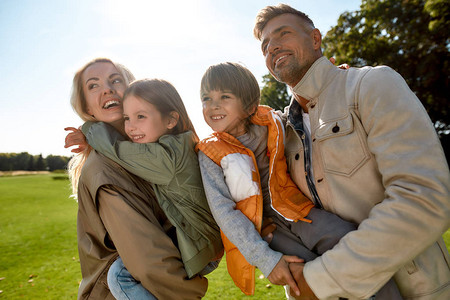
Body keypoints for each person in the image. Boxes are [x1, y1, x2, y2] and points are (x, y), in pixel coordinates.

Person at [253, 4, 450, 299]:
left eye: (283, 34)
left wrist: (320, 280)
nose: (273, 46)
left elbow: (424, 197)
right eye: (265, 45)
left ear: (316, 39)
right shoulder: (280, 132)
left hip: (416, 289)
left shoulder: (372, 85)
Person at [195, 62, 401, 299]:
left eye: (224, 96)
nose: (213, 105)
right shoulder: (209, 153)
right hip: (267, 230)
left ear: (250, 105)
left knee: (348, 242)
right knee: (305, 278)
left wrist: (334, 79)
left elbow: (307, 111)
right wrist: (266, 259)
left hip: (297, 209)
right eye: (205, 98)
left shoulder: (274, 122)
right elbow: (224, 213)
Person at [64, 58, 207, 299]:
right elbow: (148, 259)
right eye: (93, 85)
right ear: (87, 108)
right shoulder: (104, 169)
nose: (107, 88)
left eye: (115, 80)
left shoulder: (145, 153)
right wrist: (191, 291)